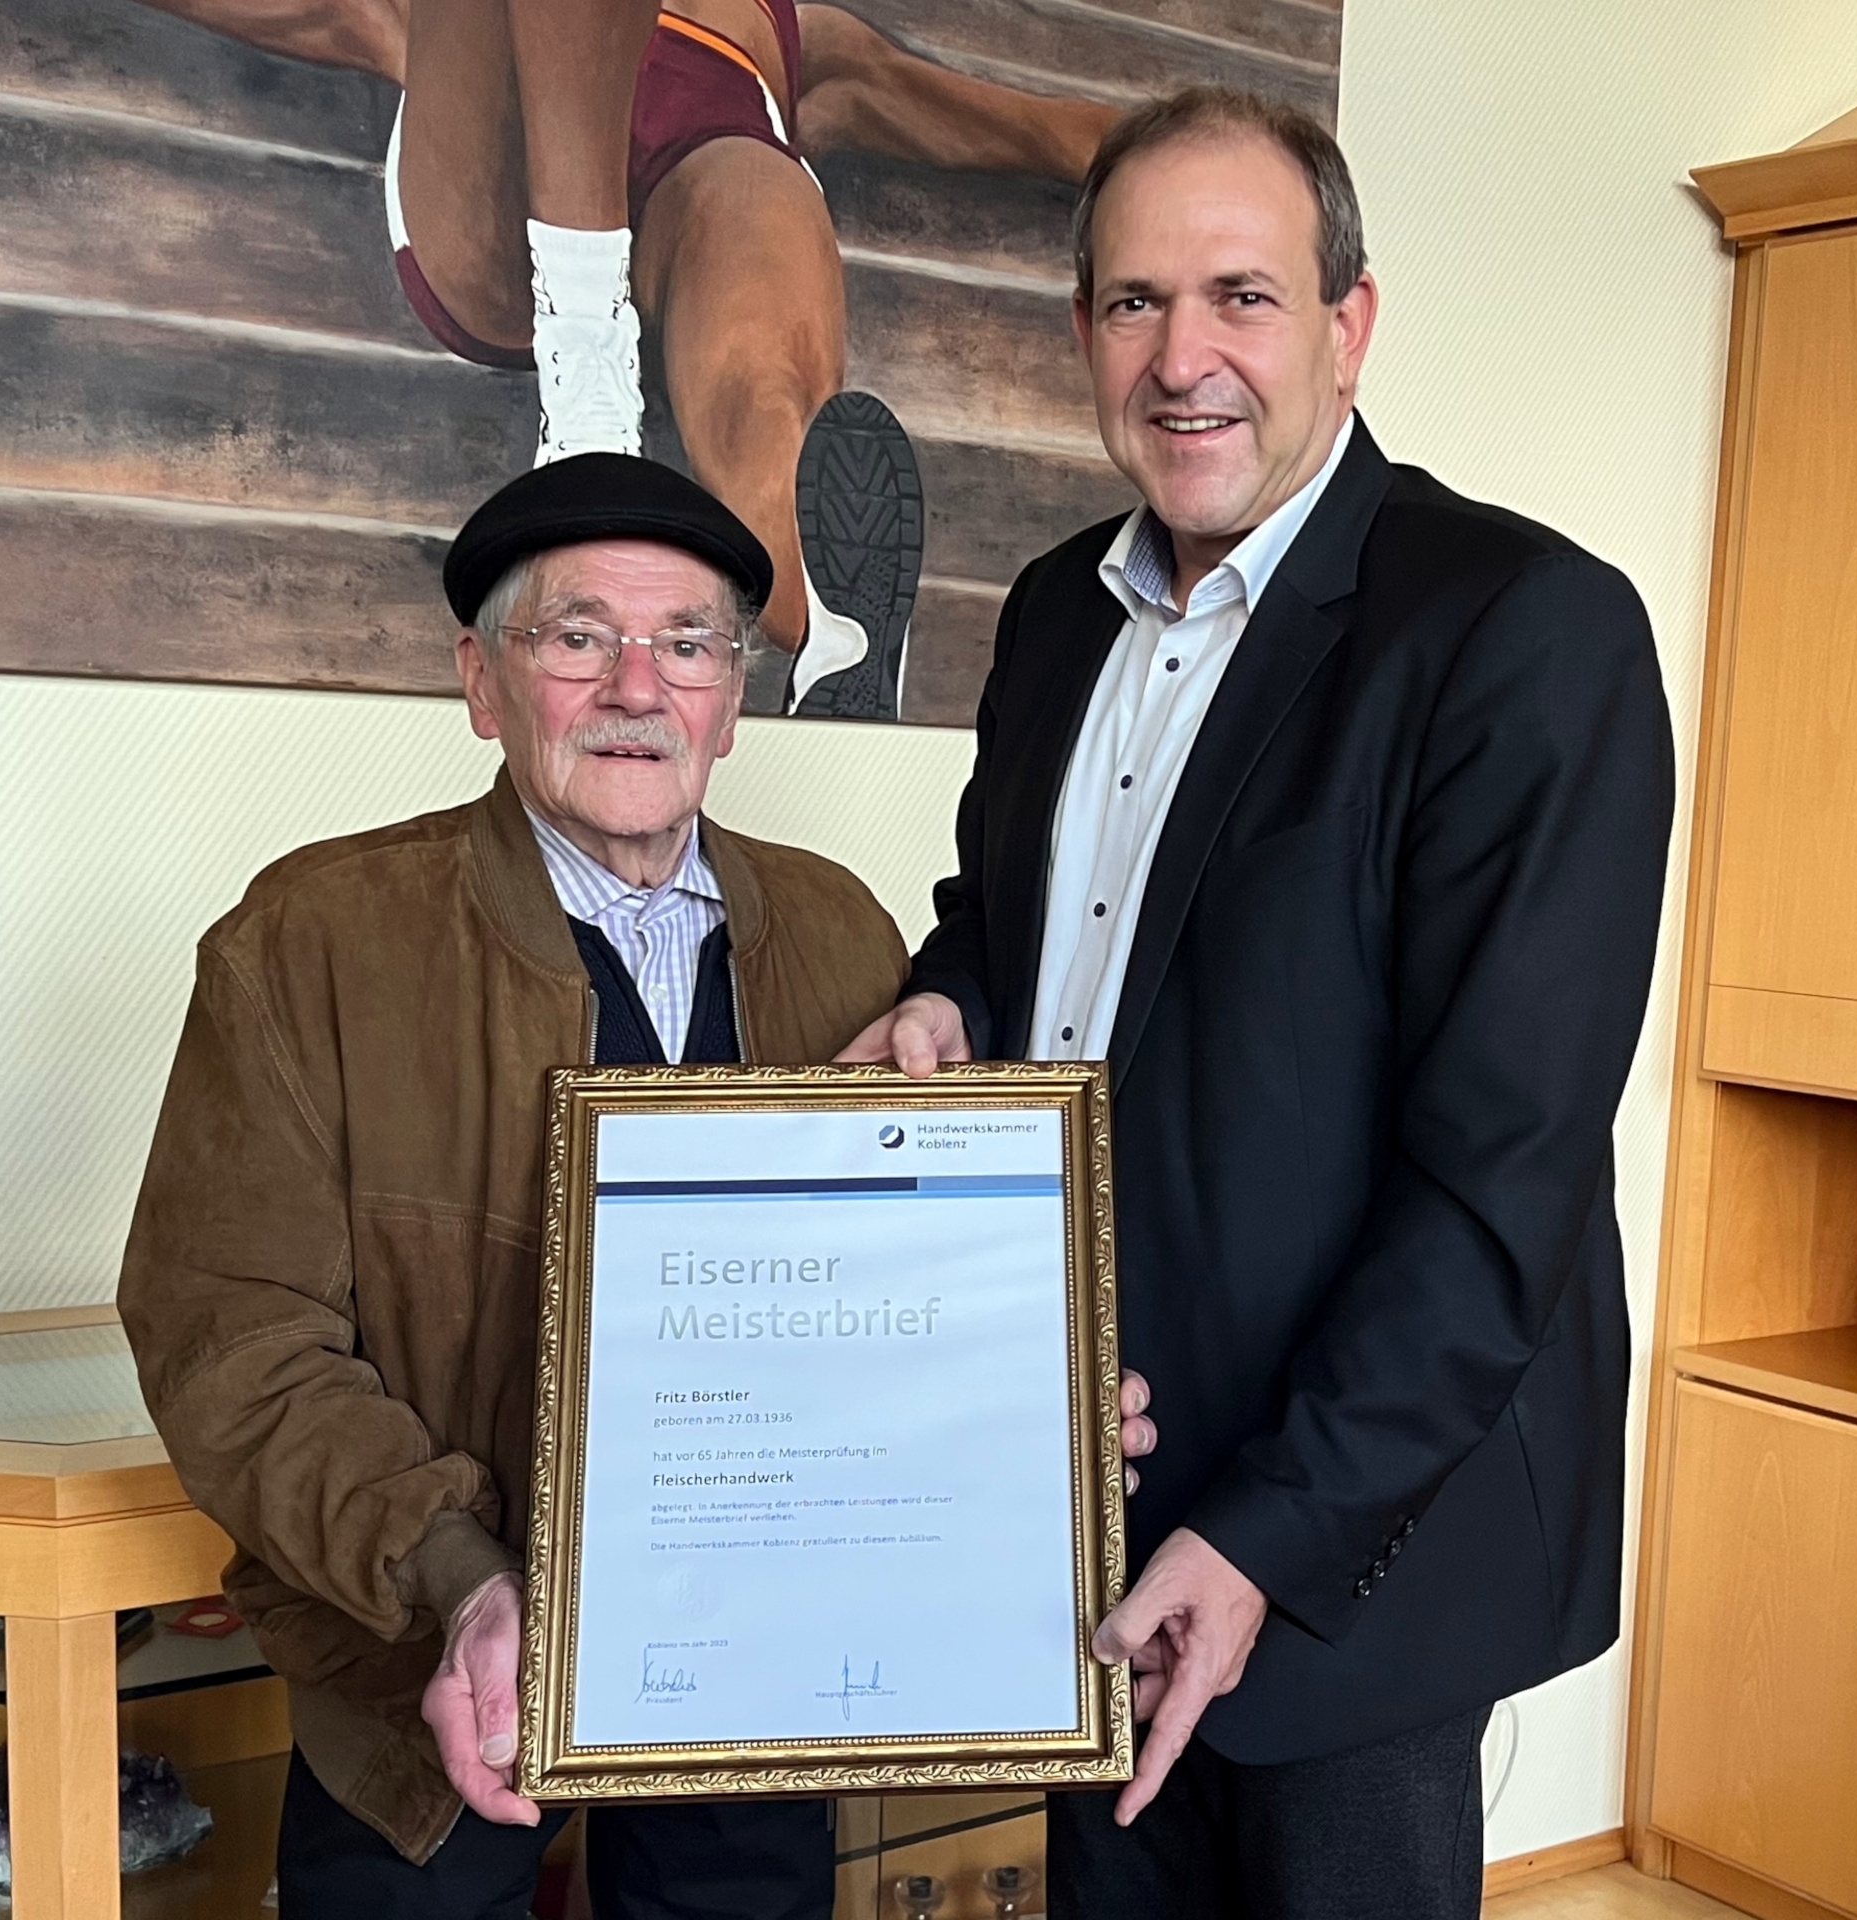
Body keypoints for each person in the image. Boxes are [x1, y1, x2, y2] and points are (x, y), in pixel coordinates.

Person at [841, 88, 1676, 1919]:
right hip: (1080, 1487)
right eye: (1134, 303)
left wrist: (1268, 1533)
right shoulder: (1061, 608)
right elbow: (1020, 916)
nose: (1183, 356)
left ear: (1349, 324)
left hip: (1350, 1542)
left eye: (1243, 296)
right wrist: (943, 996)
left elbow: (1501, 1181)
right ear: (1081, 336)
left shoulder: (1524, 628)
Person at [117, 452, 1157, 1919]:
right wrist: (463, 1577)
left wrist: (1024, 1403)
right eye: (577, 636)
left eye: (688, 645)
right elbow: (234, 1339)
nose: (637, 686)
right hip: (430, 1672)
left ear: (735, 696)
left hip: (757, 1678)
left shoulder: (842, 931)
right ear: (482, 681)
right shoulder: (310, 942)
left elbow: (892, 1298)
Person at [137, 0, 1116, 718]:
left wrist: (1238, 165)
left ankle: (832, 629)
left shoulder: (797, 30)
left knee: (761, 355)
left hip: (708, 164)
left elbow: (1037, 129)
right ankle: (582, 337)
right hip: (506, 194)